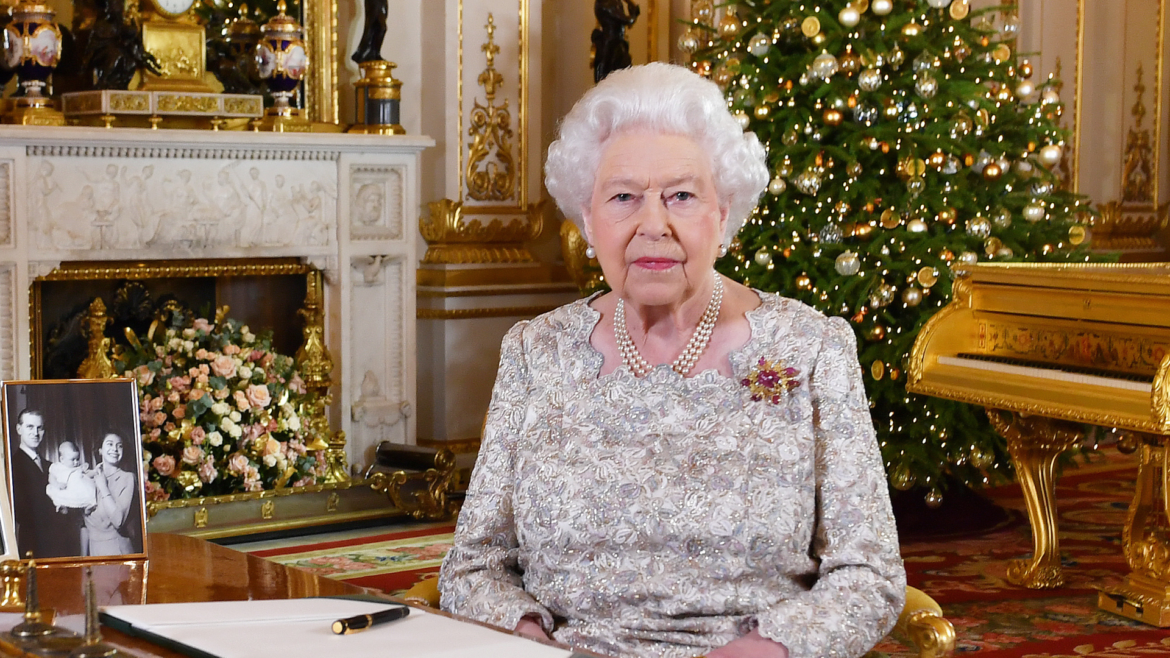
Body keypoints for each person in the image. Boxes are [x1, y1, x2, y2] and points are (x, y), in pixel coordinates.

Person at [439, 63, 905, 658]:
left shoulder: (810, 349)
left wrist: (768, 651)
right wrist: (527, 640)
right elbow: (472, 568)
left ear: (722, 214)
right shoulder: (537, 351)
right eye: (623, 198)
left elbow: (870, 576)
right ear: (588, 219)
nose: (651, 224)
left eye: (681, 196)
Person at [10, 409, 80, 558]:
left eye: (39, 428)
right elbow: (22, 512)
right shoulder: (12, 466)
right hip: (33, 546)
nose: (35, 433)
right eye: (30, 427)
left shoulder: (51, 466)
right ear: (19, 429)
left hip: (59, 545)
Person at [83, 433, 138, 557]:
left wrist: (103, 487)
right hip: (93, 551)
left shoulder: (127, 478)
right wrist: (83, 560)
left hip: (117, 550)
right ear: (100, 450)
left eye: (119, 446)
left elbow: (118, 521)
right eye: (110, 444)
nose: (115, 449)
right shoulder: (87, 478)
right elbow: (83, 525)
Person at [46, 441, 98, 511]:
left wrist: (94, 472)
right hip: (65, 488)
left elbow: (87, 474)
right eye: (73, 460)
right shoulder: (57, 467)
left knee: (89, 492)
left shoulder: (78, 468)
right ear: (62, 459)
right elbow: (51, 477)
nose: (76, 462)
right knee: (54, 493)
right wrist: (57, 484)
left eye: (77, 459)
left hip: (77, 489)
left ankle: (88, 506)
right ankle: (62, 506)